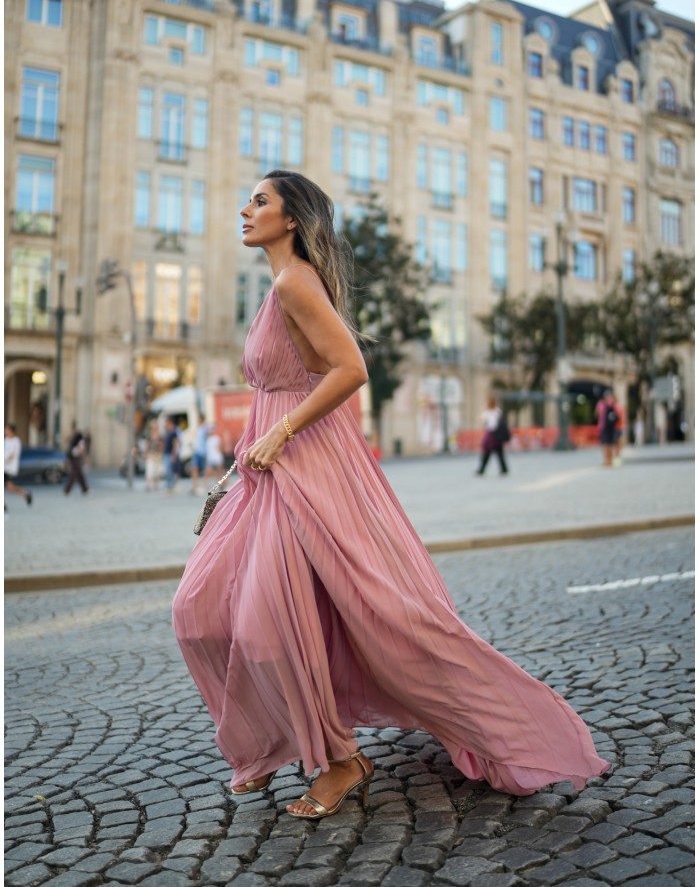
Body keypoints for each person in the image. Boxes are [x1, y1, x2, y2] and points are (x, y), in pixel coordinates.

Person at [173, 170, 610, 821]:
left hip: (303, 468)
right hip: (270, 471)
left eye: (259, 201)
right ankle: (272, 741)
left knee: (278, 622)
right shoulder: (278, 288)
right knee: (200, 609)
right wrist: (258, 444)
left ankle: (339, 759)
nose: (244, 208)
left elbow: (352, 368)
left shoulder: (296, 283)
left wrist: (283, 430)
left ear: (292, 219)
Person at [475, 396, 509, 476]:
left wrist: (482, 409)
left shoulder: (488, 412)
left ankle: (482, 469)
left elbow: (480, 419)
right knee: (499, 453)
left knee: (487, 452)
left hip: (491, 434)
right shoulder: (497, 411)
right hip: (498, 435)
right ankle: (504, 469)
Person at [4, 424, 32, 508]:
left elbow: (13, 454)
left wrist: (4, 460)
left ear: (12, 431)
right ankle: (26, 494)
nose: (5, 432)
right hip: (4, 467)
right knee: (10, 488)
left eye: (7, 430)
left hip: (9, 468)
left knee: (10, 487)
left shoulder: (16, 441)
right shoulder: (5, 440)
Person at [595, 390, 618, 467]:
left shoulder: (600, 404)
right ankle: (610, 461)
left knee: (605, 444)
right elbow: (617, 414)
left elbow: (596, 414)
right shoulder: (612, 403)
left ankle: (606, 461)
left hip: (603, 426)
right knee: (610, 444)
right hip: (611, 427)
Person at [64, 427, 89, 495]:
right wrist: (84, 457)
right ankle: (67, 490)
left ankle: (85, 489)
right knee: (74, 474)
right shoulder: (81, 440)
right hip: (76, 458)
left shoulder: (74, 440)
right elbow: (81, 450)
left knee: (79, 474)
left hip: (72, 457)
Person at [190, 413, 209, 495]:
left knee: (206, 469)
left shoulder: (205, 428)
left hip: (203, 451)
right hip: (197, 451)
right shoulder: (198, 428)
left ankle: (203, 486)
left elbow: (207, 439)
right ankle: (195, 486)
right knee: (194, 468)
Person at [144, 420, 164, 492]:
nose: (154, 429)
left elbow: (163, 446)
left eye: (155, 428)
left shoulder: (160, 436)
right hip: (151, 455)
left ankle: (156, 484)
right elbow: (146, 445)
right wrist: (145, 453)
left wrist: (160, 445)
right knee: (149, 470)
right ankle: (149, 485)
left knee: (157, 471)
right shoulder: (149, 436)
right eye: (153, 428)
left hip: (158, 456)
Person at [162, 417, 180, 493]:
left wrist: (173, 454)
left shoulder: (173, 433)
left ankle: (171, 485)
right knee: (167, 470)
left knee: (169, 470)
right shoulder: (168, 432)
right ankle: (169, 485)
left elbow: (175, 444)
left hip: (170, 454)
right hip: (166, 453)